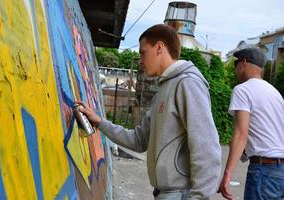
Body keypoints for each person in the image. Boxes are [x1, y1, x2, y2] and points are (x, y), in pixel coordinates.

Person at [79, 24, 221, 199]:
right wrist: (100, 122)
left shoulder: (187, 83)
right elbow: (138, 140)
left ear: (159, 47)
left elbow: (207, 147)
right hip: (165, 194)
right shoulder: (163, 89)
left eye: (143, 52)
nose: (140, 60)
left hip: (180, 194)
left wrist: (199, 197)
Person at [218, 47, 284, 200]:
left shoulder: (243, 90)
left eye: (236, 64)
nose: (235, 70)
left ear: (244, 63)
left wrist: (227, 175)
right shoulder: (274, 93)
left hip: (264, 171)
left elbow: (241, 134)